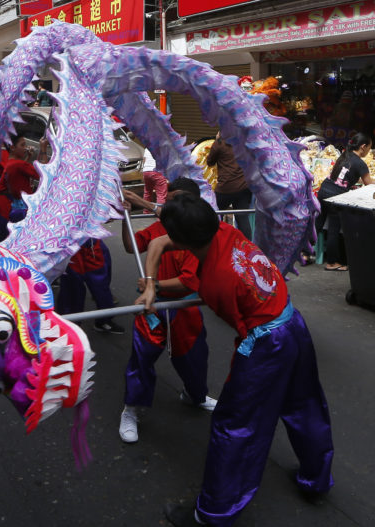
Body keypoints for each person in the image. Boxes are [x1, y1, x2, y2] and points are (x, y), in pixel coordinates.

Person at [137, 194, 334, 527]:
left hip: (267, 343)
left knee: (235, 426)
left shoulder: (216, 280)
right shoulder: (227, 232)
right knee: (304, 403)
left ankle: (212, 514)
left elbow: (177, 268)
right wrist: (152, 285)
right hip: (292, 322)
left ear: (184, 240)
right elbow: (158, 243)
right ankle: (316, 479)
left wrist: (151, 288)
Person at [118, 179, 216, 445]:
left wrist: (154, 283)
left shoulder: (198, 235)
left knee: (194, 357)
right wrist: (126, 217)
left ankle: (195, 396)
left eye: (178, 200)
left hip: (184, 306)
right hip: (153, 306)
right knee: (142, 357)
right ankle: (132, 408)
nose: (171, 205)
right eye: (169, 198)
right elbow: (132, 246)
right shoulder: (158, 227)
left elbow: (188, 281)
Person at [315, 133, 373, 270]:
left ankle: (304, 252)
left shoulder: (344, 155)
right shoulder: (360, 163)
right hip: (335, 197)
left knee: (318, 223)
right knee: (334, 229)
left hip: (324, 190)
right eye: (369, 148)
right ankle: (332, 262)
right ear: (363, 147)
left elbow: (345, 175)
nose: (369, 151)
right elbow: (369, 184)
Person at [56, 238, 124, 335]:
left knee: (101, 286)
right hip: (69, 246)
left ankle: (104, 320)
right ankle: (70, 325)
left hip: (92, 245)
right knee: (72, 290)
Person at [0, 134, 48, 242]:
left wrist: (27, 158)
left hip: (14, 208)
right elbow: (44, 173)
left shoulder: (11, 163)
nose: (26, 148)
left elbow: (1, 187)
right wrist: (43, 148)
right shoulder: (18, 165)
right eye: (22, 145)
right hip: (23, 211)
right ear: (12, 147)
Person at [206, 132, 252, 239]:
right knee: (242, 219)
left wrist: (217, 140)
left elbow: (210, 162)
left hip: (225, 188)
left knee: (214, 214)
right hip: (243, 187)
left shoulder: (220, 143)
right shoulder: (245, 142)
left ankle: (216, 241)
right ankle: (248, 247)